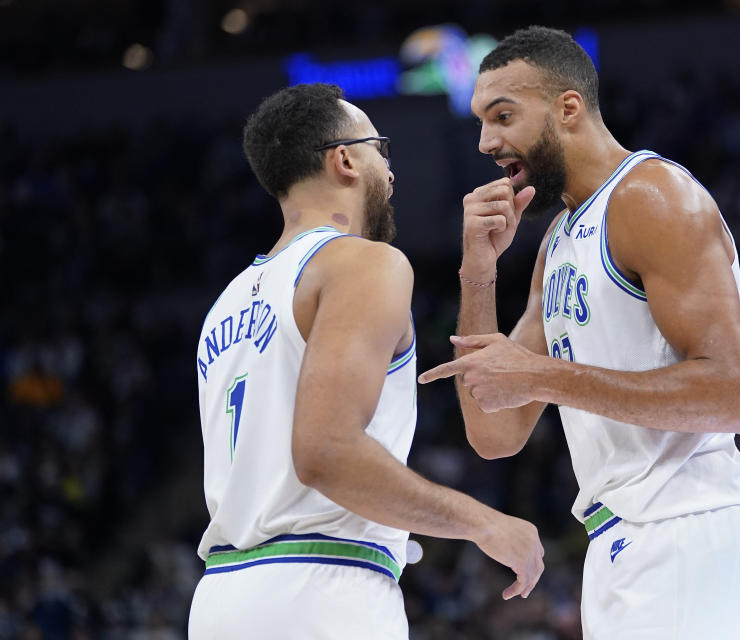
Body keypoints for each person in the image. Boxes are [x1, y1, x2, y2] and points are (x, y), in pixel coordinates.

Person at [418, 27, 740, 639]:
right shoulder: (557, 240)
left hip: (684, 523)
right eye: (480, 122)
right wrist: (478, 274)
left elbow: (737, 397)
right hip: (621, 538)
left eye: (503, 116)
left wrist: (543, 376)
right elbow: (495, 430)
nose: (486, 141)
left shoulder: (653, 196)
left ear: (568, 108)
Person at [188, 82, 544, 640]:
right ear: (346, 160)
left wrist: (477, 269)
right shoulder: (363, 262)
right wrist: (485, 523)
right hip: (322, 590)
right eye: (382, 150)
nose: (392, 172)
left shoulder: (227, 301)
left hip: (221, 597)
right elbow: (326, 452)